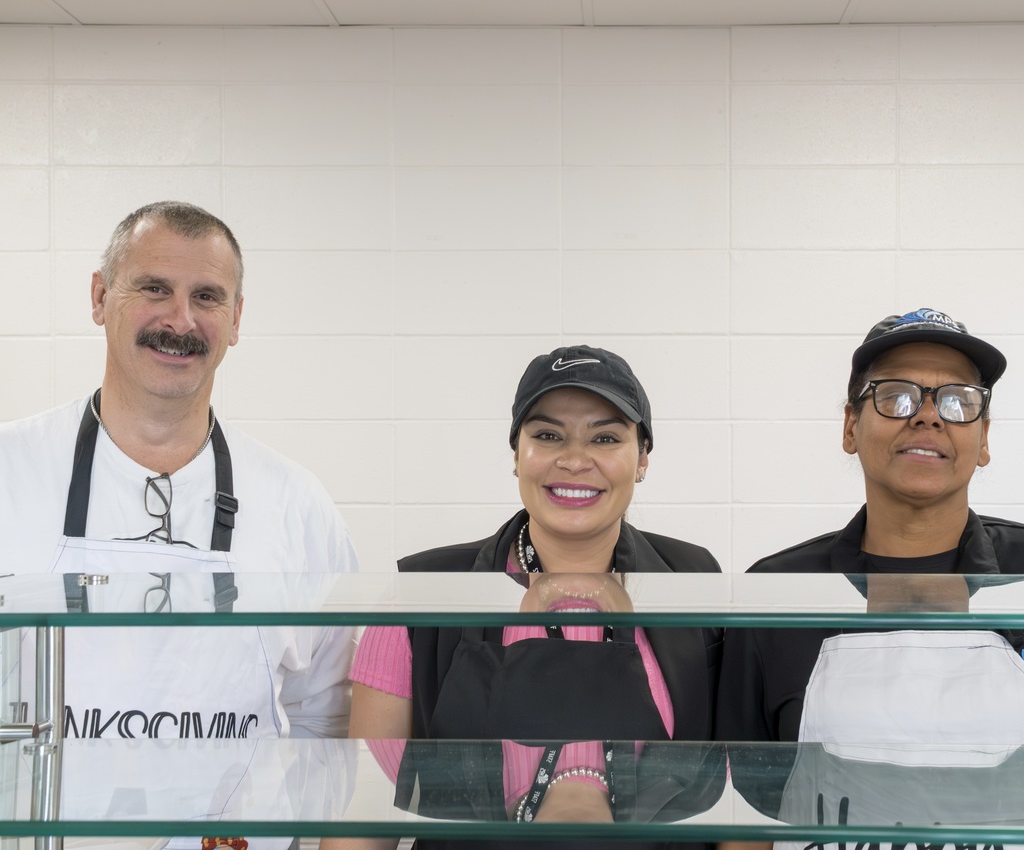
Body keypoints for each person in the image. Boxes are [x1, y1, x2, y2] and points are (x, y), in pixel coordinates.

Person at [0, 203, 357, 805]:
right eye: (154, 288)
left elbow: (329, 724)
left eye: (208, 297)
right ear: (99, 297)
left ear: (237, 319)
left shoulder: (299, 507)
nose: (180, 319)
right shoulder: (10, 470)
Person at [327, 345, 724, 850]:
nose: (575, 460)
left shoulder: (696, 582)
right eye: (547, 435)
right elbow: (363, 821)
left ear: (642, 457)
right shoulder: (421, 592)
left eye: (605, 437)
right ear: (517, 455)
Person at [715, 307, 1024, 847]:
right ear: (850, 426)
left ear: (985, 438)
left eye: (956, 400)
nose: (928, 417)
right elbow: (744, 819)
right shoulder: (774, 593)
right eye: (896, 395)